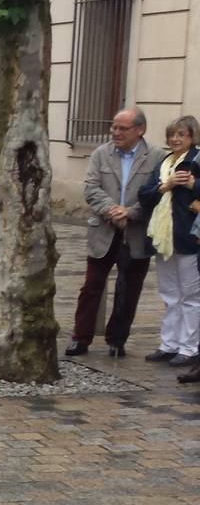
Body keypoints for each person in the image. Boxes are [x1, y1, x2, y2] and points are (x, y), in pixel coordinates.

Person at [68, 109, 163, 358]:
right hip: (104, 229)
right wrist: (112, 210)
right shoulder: (101, 153)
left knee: (129, 288)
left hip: (136, 231)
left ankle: (117, 339)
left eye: (123, 128)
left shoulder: (155, 157)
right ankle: (81, 338)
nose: (116, 132)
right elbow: (91, 187)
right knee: (91, 287)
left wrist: (130, 213)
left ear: (139, 130)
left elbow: (156, 194)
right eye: (114, 127)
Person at [137, 115, 200, 378]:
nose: (175, 139)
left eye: (182, 135)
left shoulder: (196, 160)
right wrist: (166, 185)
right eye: (172, 134)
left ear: (192, 137)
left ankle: (189, 347)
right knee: (169, 293)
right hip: (164, 236)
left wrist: (192, 184)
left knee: (190, 296)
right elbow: (145, 195)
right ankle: (169, 343)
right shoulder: (164, 162)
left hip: (188, 236)